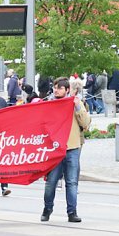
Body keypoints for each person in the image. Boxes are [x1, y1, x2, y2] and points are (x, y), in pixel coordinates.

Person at [41, 77, 91, 223]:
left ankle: (72, 212)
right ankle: (47, 208)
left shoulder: (75, 103)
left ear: (67, 90)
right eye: (55, 88)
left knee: (72, 182)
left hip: (72, 147)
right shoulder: (49, 104)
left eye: (60, 88)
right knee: (51, 182)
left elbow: (86, 122)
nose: (56, 90)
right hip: (55, 148)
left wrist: (77, 107)